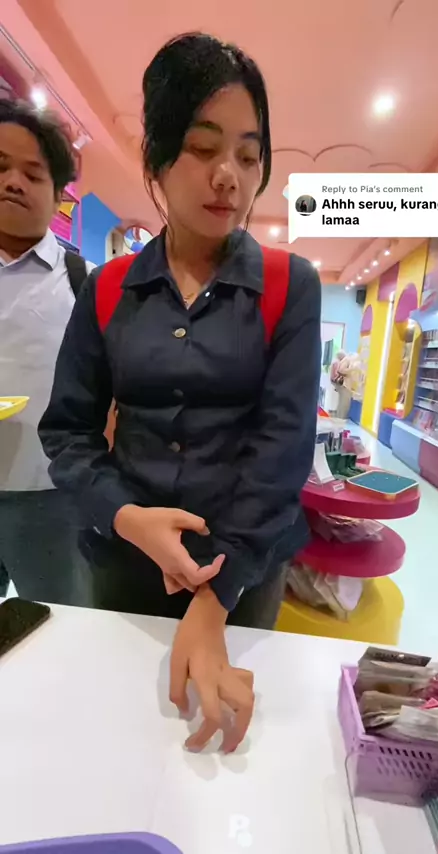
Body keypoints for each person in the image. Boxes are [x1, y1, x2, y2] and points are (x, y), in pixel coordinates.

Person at [39, 33, 321, 753]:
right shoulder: (107, 289)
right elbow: (67, 433)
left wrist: (215, 596)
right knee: (118, 738)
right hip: (124, 564)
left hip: (244, 576)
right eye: (202, 148)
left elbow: (283, 453)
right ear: (158, 157)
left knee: (228, 745)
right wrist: (127, 516)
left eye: (249, 156)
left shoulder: (289, 286)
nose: (229, 176)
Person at [0, 98, 94, 605]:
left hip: (50, 496)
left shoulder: (84, 282)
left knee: (63, 622)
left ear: (59, 195)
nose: (13, 182)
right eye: (1, 167)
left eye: (32, 174)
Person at [335, 352, 359, 419]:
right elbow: (341, 370)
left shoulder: (347, 360)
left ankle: (339, 420)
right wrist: (352, 370)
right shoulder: (348, 360)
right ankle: (340, 420)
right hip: (345, 386)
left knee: (342, 404)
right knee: (344, 405)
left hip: (345, 386)